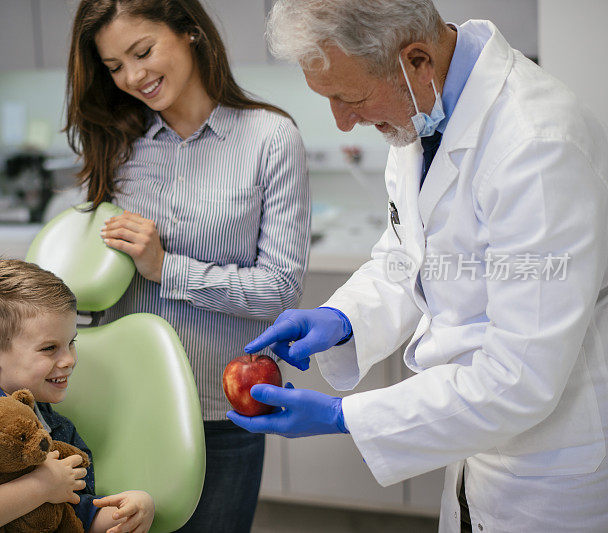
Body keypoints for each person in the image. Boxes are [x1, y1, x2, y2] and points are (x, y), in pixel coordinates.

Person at [228, 1, 608, 532]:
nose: (343, 121)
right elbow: (410, 256)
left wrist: (347, 419)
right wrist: (344, 319)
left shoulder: (537, 145)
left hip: (548, 471)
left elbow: (520, 377)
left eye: (349, 97)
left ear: (417, 60)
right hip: (476, 444)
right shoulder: (420, 113)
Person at [0, 1, 310, 530]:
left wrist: (166, 267)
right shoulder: (118, 144)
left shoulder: (269, 138)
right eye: (114, 66)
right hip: (125, 396)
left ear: (190, 33)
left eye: (143, 51)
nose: (133, 77)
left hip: (221, 403)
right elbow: (77, 271)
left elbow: (279, 289)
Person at [0, 259, 154, 533]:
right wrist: (41, 486)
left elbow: (74, 514)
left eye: (71, 343)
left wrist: (129, 512)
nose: (69, 360)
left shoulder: (60, 430)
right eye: (49, 348)